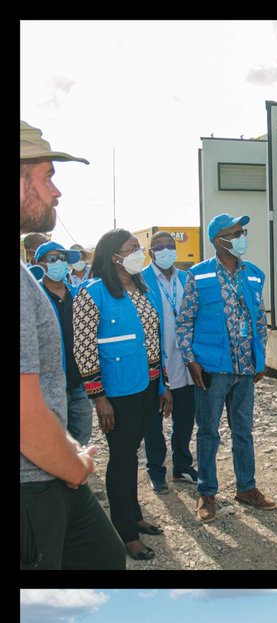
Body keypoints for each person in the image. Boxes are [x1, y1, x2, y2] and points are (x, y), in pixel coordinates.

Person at [20, 120, 124, 570]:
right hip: (33, 485)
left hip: (46, 472)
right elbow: (23, 414)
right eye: (47, 176)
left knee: (103, 556)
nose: (56, 192)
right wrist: (74, 465)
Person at [71, 228, 171, 561]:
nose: (138, 253)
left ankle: (134, 514)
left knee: (132, 454)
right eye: (132, 249)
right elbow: (84, 349)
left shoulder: (143, 288)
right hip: (117, 392)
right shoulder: (93, 293)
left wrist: (162, 385)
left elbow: (154, 341)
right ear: (114, 255)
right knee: (123, 457)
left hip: (146, 386)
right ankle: (125, 533)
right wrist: (98, 397)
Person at [176, 213, 274, 522]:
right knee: (208, 433)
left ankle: (247, 487)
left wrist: (261, 358)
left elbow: (260, 320)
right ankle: (207, 493)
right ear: (220, 240)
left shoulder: (255, 274)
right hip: (212, 369)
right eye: (236, 232)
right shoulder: (198, 275)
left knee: (243, 431)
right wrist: (191, 361)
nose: (242, 236)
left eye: (243, 231)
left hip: (245, 368)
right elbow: (184, 321)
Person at [141, 231, 199, 491]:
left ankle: (182, 466)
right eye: (159, 247)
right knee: (153, 420)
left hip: (185, 360)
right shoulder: (140, 280)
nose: (165, 251)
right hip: (154, 361)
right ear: (150, 252)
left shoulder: (187, 278)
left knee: (185, 417)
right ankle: (156, 470)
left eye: (170, 246)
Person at [32, 241, 91, 446]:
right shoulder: (34, 297)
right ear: (39, 263)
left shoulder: (79, 296)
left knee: (82, 438)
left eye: (63, 259)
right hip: (49, 385)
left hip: (79, 383)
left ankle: (77, 476)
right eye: (53, 259)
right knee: (54, 440)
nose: (59, 263)